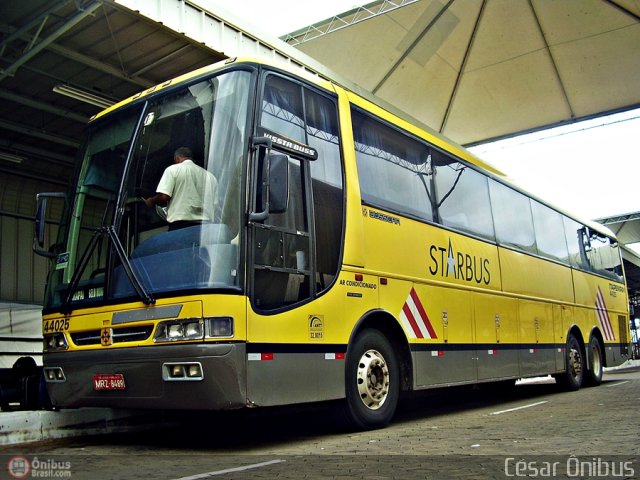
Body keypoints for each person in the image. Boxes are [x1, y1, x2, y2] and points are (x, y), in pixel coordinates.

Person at [145, 147, 218, 230]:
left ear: (177, 158)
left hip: (181, 226)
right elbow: (215, 205)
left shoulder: (172, 170)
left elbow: (164, 196)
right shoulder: (210, 177)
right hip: (206, 228)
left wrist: (151, 201)